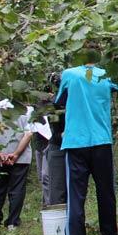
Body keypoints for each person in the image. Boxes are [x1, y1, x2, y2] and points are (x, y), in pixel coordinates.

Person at [55, 42, 118, 235]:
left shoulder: (69, 74)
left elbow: (58, 101)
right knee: (106, 192)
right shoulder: (106, 75)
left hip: (76, 142)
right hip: (100, 141)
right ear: (99, 55)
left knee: (76, 196)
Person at [0, 99, 33, 232]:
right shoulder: (25, 109)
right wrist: (16, 154)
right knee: (17, 189)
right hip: (21, 157)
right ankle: (13, 223)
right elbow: (28, 134)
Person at [44, 72, 68, 206]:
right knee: (58, 190)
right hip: (58, 147)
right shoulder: (53, 103)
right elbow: (54, 132)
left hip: (75, 148)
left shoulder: (76, 99)